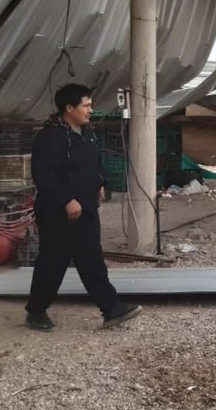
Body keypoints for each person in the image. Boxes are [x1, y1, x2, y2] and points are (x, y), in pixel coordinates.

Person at [25, 83, 141, 331]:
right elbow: (43, 175)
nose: (91, 110)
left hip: (85, 208)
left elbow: (92, 161)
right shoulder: (51, 137)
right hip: (58, 212)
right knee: (52, 262)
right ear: (69, 108)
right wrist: (66, 200)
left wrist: (99, 182)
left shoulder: (86, 132)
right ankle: (36, 311)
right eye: (86, 105)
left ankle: (111, 309)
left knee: (91, 259)